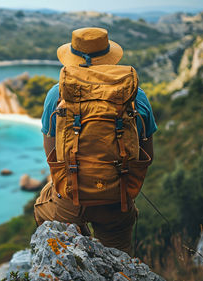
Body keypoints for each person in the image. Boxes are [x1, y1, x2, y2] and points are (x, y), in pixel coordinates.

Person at [34, 27, 157, 255]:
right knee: (120, 260)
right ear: (110, 58)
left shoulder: (57, 94)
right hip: (117, 199)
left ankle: (79, 242)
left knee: (41, 207)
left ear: (73, 57)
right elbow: (147, 154)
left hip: (69, 200)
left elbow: (52, 155)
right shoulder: (135, 95)